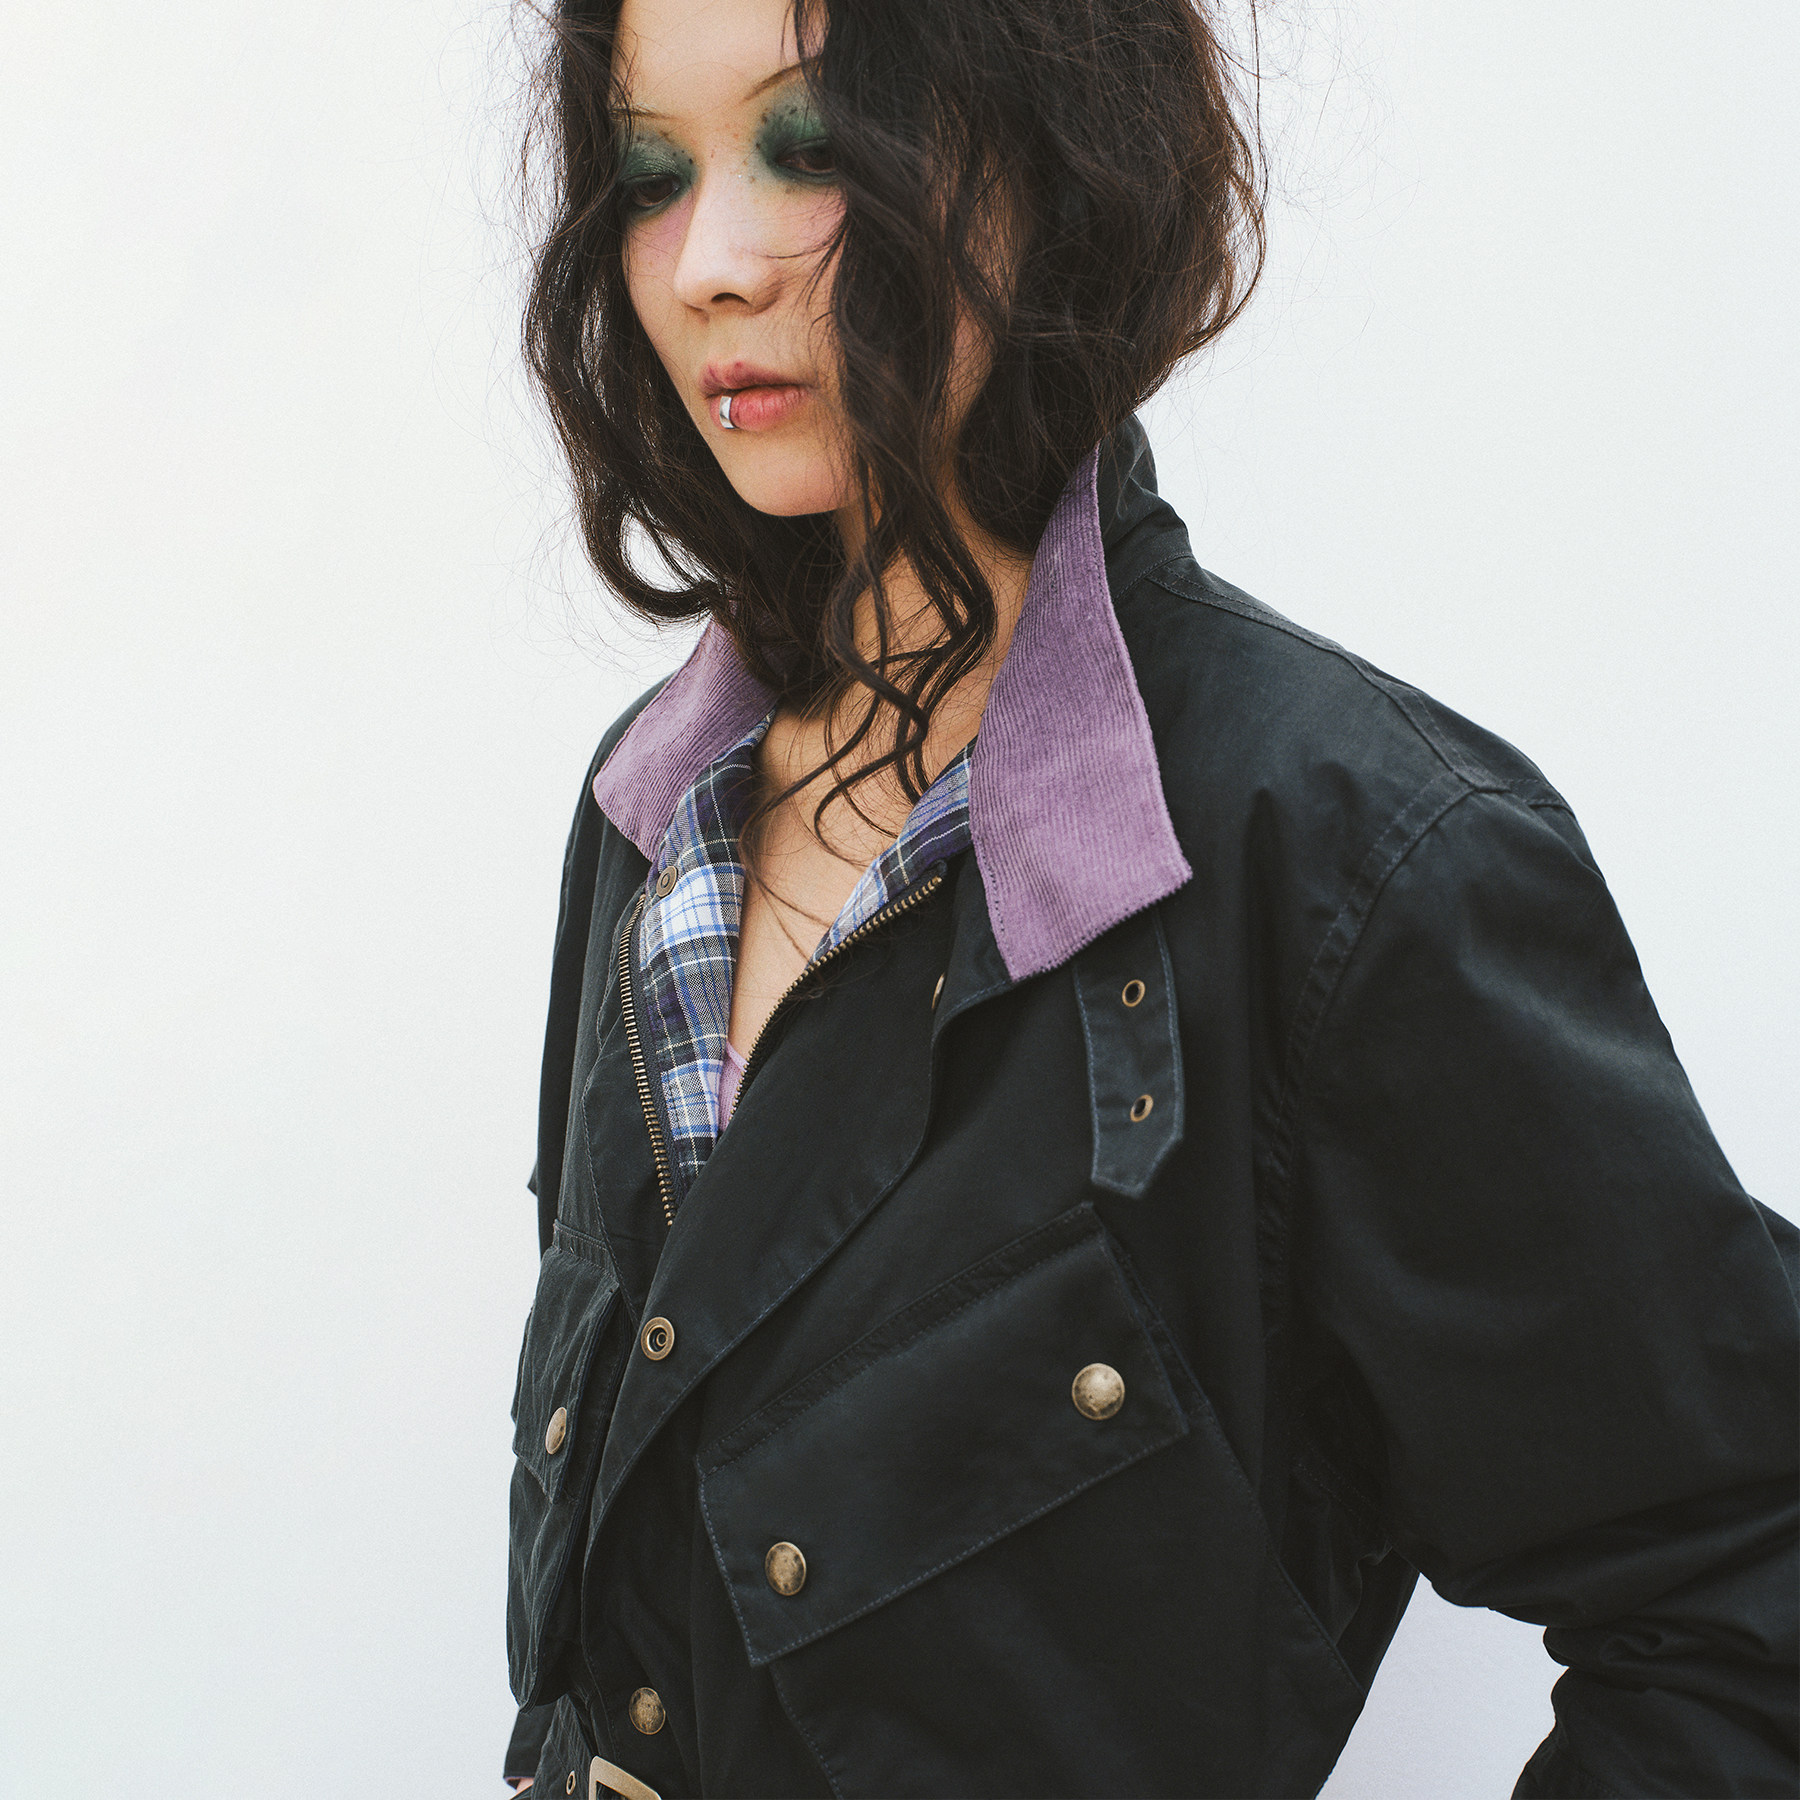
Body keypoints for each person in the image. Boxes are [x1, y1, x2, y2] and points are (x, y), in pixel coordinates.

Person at [502, 0, 1799, 1793]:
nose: (710, 261)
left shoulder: (1348, 860)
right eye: (654, 171)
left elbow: (1750, 1598)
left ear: (1050, 146)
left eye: (809, 144)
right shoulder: (654, 814)